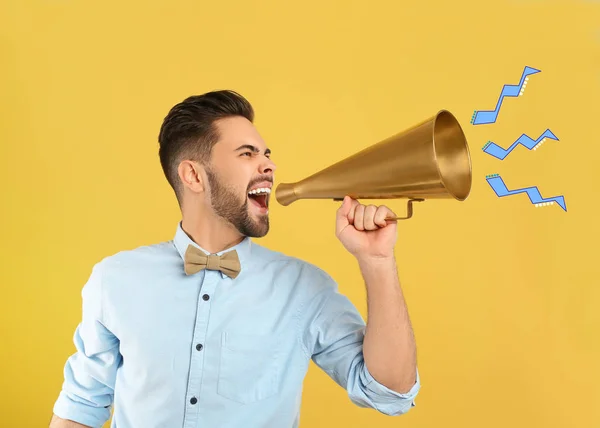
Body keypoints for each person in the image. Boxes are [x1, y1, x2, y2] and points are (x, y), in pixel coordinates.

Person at [49, 90, 420, 428]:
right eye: (247, 153)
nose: (269, 166)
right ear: (193, 175)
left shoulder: (305, 288)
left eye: (267, 154)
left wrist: (377, 260)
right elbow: (83, 403)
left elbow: (389, 392)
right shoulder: (115, 279)